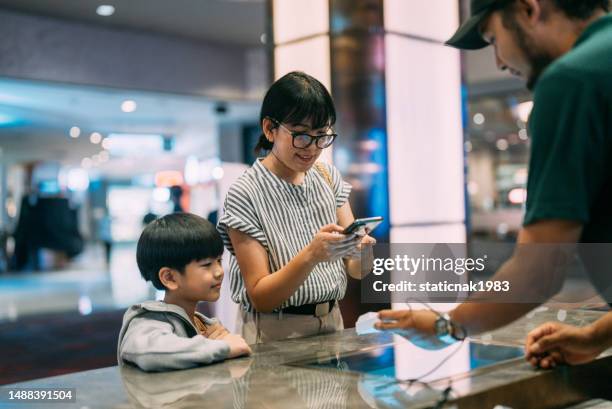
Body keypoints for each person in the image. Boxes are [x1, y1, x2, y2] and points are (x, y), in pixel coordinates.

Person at [375, 0, 612, 367]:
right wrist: (595, 337)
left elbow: (539, 271)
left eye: (492, 37)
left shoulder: (570, 81)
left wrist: (447, 325)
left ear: (528, 9)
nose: (499, 60)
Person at [217, 71, 376, 344]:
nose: (312, 148)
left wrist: (363, 251)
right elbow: (261, 296)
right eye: (301, 135)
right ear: (270, 129)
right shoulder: (246, 193)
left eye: (321, 135)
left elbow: (356, 270)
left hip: (331, 323)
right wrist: (311, 255)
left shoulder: (328, 177)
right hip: (274, 331)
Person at [117, 213, 251, 371]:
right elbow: (150, 353)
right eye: (207, 264)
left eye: (219, 261)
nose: (219, 272)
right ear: (170, 278)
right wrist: (223, 347)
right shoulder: (147, 321)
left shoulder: (204, 324)